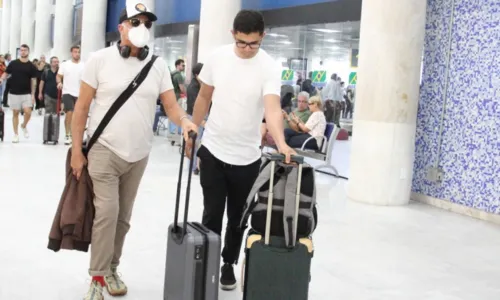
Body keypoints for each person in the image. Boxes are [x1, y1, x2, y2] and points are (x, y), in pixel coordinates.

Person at [69, 2, 198, 299]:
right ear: (121, 27)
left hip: (138, 154)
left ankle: (112, 267)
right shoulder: (99, 60)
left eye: (147, 23)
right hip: (104, 149)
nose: (142, 28)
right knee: (107, 213)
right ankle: (97, 278)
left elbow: (171, 106)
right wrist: (78, 150)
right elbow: (82, 109)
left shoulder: (158, 65)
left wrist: (186, 122)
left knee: (123, 217)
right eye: (135, 22)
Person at [189, 9, 296, 291]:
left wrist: (282, 143)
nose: (247, 49)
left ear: (263, 36)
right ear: (232, 35)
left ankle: (227, 264)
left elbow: (272, 109)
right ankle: (209, 262)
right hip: (212, 150)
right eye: (242, 43)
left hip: (247, 157)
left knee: (237, 218)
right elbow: (204, 96)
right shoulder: (217, 58)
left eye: (253, 43)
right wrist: (192, 129)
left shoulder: (270, 66)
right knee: (211, 213)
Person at [0, 44, 37, 143]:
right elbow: (6, 73)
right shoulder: (13, 63)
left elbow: (33, 81)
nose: (23, 52)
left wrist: (33, 94)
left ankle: (24, 125)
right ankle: (16, 134)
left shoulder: (31, 66)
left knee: (28, 112)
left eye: (25, 50)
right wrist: (1, 79)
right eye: (21, 50)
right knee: (15, 113)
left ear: (28, 52)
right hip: (14, 92)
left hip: (26, 93)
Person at [57, 45, 85, 145]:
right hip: (67, 92)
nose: (77, 54)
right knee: (69, 113)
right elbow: (59, 76)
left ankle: (75, 135)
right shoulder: (65, 65)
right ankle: (67, 134)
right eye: (75, 52)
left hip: (79, 93)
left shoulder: (83, 65)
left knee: (77, 116)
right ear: (71, 53)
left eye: (78, 52)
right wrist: (59, 82)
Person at [186, 62, 204, 175]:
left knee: (199, 143)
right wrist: (202, 122)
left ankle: (197, 166)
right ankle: (193, 167)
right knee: (194, 143)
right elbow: (194, 108)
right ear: (197, 75)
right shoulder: (193, 88)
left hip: (201, 116)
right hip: (194, 118)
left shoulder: (201, 85)